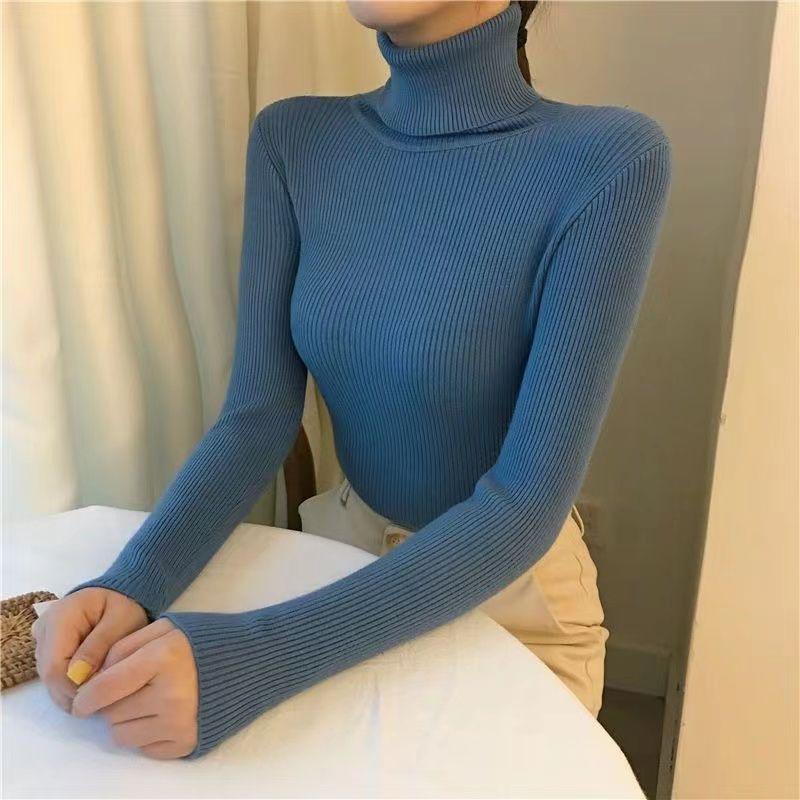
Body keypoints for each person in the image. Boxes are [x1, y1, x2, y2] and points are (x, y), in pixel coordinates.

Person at [32, 0, 673, 759]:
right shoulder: (294, 140)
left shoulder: (608, 159)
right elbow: (258, 417)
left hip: (511, 599)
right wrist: (132, 584)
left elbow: (525, 502)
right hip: (339, 559)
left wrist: (256, 658)